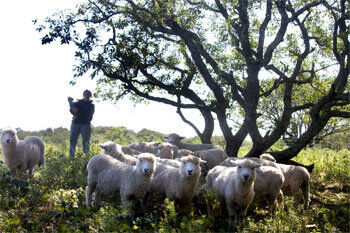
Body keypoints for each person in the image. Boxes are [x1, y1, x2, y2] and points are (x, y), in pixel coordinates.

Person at [68, 89, 95, 158]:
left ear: (90, 96)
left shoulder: (91, 105)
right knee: (73, 141)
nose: (87, 95)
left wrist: (78, 111)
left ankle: (86, 157)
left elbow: (88, 116)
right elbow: (72, 111)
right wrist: (70, 102)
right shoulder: (78, 102)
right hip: (75, 123)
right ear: (83, 95)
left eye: (88, 94)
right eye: (85, 94)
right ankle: (71, 157)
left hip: (85, 124)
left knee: (86, 141)